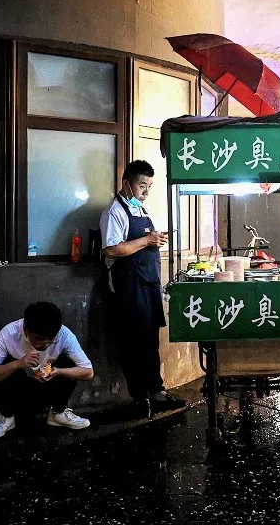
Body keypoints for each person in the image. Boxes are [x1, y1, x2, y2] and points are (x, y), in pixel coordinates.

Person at [100, 160, 186, 417]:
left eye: (149, 186)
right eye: (141, 185)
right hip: (128, 287)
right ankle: (139, 398)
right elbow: (112, 249)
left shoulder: (141, 209)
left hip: (148, 285)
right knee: (132, 344)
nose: (146, 191)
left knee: (150, 342)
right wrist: (147, 239)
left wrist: (155, 240)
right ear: (127, 183)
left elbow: (142, 242)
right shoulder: (114, 212)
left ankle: (156, 393)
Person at [0, 302, 94, 437]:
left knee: (68, 364)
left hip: (44, 385)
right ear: (26, 330)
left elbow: (88, 372)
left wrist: (57, 371)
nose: (45, 345)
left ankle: (58, 413)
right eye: (39, 339)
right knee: (7, 364)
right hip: (16, 391)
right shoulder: (8, 333)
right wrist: (18, 364)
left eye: (51, 340)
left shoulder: (65, 335)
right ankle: (7, 417)